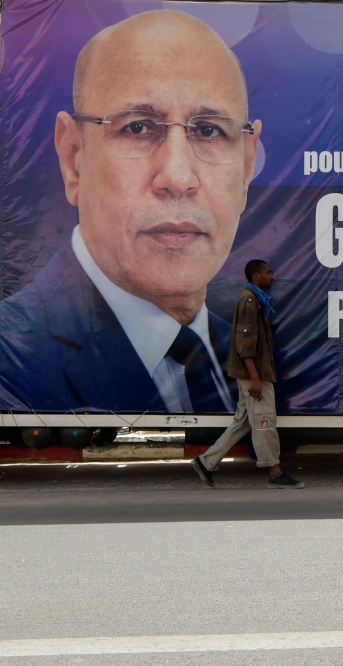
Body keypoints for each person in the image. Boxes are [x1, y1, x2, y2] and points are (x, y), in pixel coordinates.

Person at [0, 10, 262, 413]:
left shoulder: (241, 353)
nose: (177, 177)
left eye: (209, 130)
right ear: (73, 158)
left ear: (246, 167)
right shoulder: (11, 359)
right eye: (138, 127)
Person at [192, 260, 303, 490]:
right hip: (254, 374)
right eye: (268, 273)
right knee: (265, 422)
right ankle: (274, 472)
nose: (273, 276)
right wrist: (254, 378)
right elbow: (245, 345)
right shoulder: (249, 301)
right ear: (255, 277)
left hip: (254, 373)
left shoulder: (256, 300)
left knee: (242, 423)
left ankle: (206, 462)